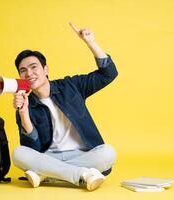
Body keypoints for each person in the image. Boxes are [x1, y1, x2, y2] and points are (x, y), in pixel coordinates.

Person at [12, 22, 118, 191]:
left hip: (82, 154)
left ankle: (46, 174)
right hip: (48, 155)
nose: (29, 74)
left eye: (34, 67)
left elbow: (109, 73)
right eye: (23, 70)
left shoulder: (71, 86)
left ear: (45, 69)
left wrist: (90, 42)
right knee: (18, 154)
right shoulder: (24, 104)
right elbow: (33, 150)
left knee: (108, 153)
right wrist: (24, 113)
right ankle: (82, 175)